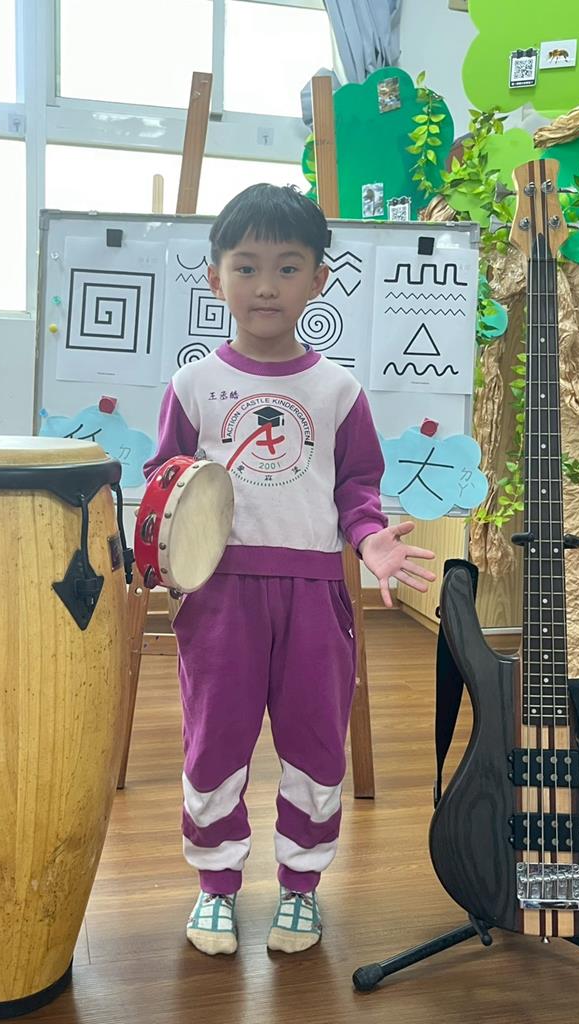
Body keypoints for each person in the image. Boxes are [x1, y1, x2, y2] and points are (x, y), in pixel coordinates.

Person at [144, 183, 435, 956]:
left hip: (314, 597)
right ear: (215, 278)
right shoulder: (192, 386)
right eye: (245, 267)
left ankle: (301, 886)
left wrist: (370, 539)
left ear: (318, 279)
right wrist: (156, 557)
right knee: (214, 742)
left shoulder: (337, 391)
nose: (265, 286)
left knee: (314, 743)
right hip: (219, 598)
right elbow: (164, 482)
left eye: (286, 267)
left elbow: (357, 488)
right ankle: (215, 884)